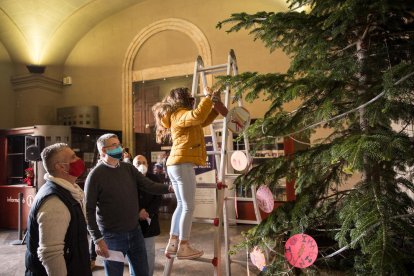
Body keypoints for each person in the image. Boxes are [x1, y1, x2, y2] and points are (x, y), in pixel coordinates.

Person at [85, 133, 170, 276]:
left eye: (120, 144)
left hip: (135, 232)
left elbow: (148, 185)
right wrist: (98, 239)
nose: (120, 148)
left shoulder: (128, 168)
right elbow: (88, 211)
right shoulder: (95, 176)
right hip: (112, 237)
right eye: (115, 145)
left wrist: (169, 188)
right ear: (104, 150)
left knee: (142, 272)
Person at [152, 87, 219, 260]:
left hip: (176, 164)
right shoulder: (180, 113)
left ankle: (173, 242)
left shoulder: (180, 116)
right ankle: (184, 246)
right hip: (181, 164)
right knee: (188, 206)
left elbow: (201, 120)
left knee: (182, 205)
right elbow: (197, 116)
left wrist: (214, 107)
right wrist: (208, 97)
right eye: (189, 97)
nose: (192, 99)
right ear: (182, 100)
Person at [25, 143, 91, 276]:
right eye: (73, 157)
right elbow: (51, 255)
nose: (78, 159)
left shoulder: (71, 192)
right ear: (61, 166)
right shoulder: (55, 201)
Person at [133, 155, 163, 276]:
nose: (141, 165)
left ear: (148, 164)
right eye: (138, 162)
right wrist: (137, 212)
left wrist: (147, 212)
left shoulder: (154, 178)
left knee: (149, 252)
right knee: (133, 252)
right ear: (133, 166)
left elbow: (158, 198)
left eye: (144, 162)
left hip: (149, 221)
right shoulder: (129, 179)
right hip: (132, 221)